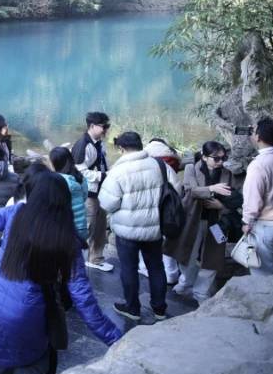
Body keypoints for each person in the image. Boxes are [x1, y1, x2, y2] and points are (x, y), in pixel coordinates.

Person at [0, 171, 123, 374]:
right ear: (64, 201)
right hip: (26, 316)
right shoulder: (67, 238)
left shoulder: (16, 213)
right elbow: (83, 299)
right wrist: (116, 338)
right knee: (32, 368)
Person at [98, 131, 168, 322]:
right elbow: (174, 191)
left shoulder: (118, 172)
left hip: (127, 231)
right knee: (156, 267)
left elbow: (107, 203)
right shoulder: (159, 165)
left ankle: (132, 308)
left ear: (121, 148)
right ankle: (159, 309)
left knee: (129, 268)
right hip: (154, 228)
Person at [166, 141, 242, 301]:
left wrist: (221, 206)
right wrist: (211, 189)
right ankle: (186, 282)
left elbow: (236, 198)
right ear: (204, 157)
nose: (220, 162)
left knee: (213, 257)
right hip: (192, 219)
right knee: (187, 254)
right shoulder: (191, 168)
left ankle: (201, 291)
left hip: (218, 221)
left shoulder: (227, 173)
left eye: (223, 158)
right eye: (216, 158)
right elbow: (192, 190)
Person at [72, 111, 114, 272]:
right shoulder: (83, 145)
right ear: (92, 126)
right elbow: (79, 171)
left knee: (100, 226)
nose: (106, 130)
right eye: (104, 126)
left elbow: (103, 162)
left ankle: (95, 258)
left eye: (107, 126)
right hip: (89, 193)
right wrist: (102, 175)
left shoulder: (99, 143)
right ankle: (76, 260)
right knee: (88, 227)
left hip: (101, 190)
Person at [140, 138, 183, 285]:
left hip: (145, 209)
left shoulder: (142, 159)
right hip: (165, 208)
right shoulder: (170, 157)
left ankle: (144, 267)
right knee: (167, 239)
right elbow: (177, 187)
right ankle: (171, 273)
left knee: (145, 240)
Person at [241, 117, 273, 275]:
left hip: (267, 226)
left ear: (258, 137)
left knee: (262, 274)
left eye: (253, 131)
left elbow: (253, 200)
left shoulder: (259, 165)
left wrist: (247, 222)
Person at [49, 146, 88, 241]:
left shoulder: (56, 180)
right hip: (82, 227)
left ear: (55, 163)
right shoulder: (80, 177)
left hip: (66, 228)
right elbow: (84, 197)